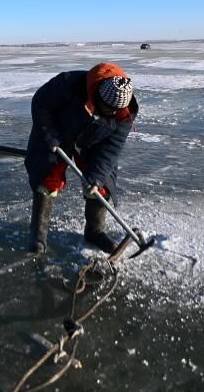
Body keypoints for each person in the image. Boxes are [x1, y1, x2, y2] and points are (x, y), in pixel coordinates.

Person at [24, 62, 139, 254]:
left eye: (115, 111)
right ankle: (38, 236)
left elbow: (111, 148)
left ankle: (94, 231)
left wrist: (96, 177)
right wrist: (50, 135)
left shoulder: (124, 114)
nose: (111, 113)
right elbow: (41, 103)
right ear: (97, 94)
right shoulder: (69, 83)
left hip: (93, 141)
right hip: (58, 134)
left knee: (101, 185)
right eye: (107, 108)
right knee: (47, 178)